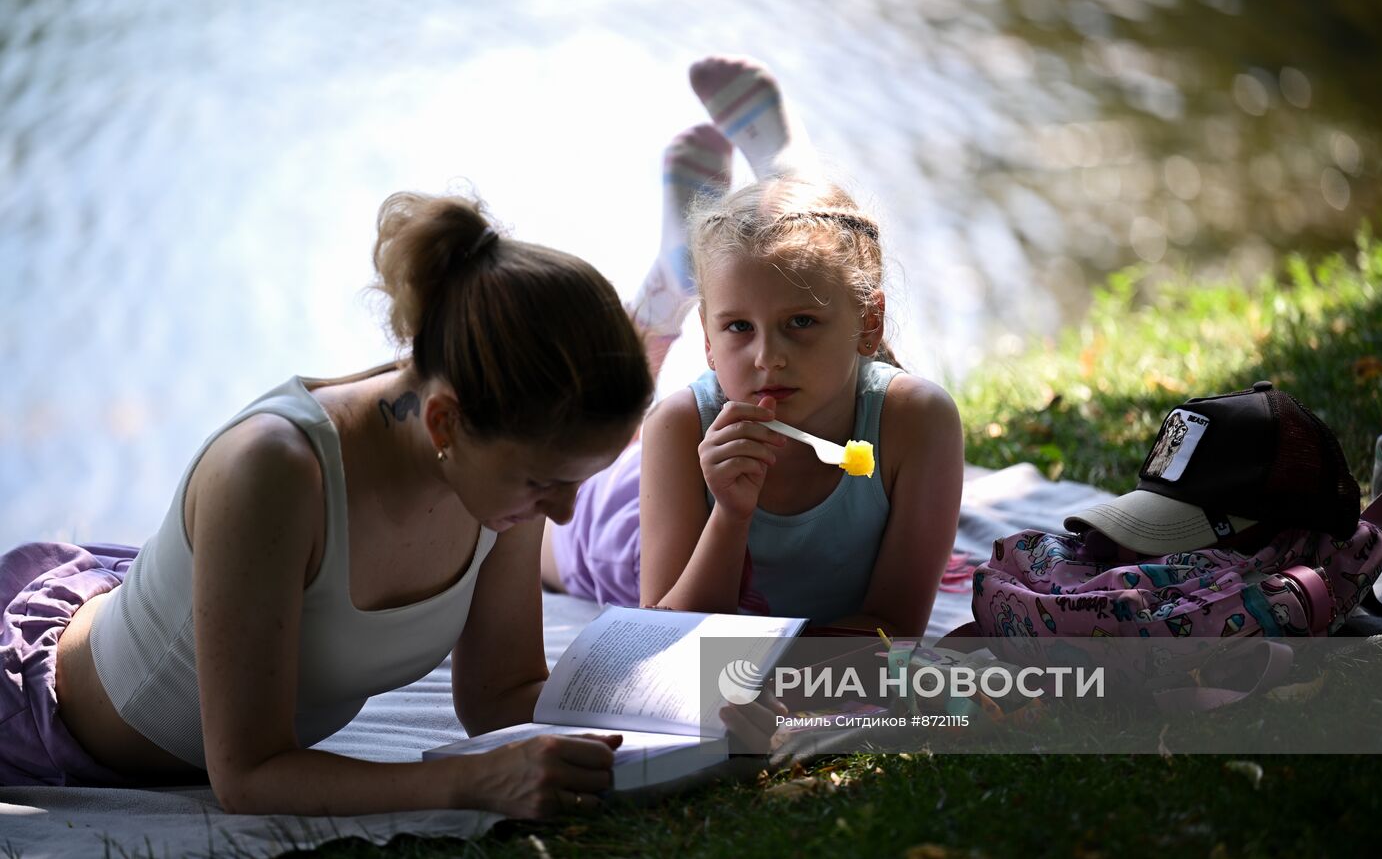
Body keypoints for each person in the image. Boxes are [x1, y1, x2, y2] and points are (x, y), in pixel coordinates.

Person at [0, 189, 656, 819]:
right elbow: (249, 776)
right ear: (445, 423)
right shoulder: (273, 469)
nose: (564, 514)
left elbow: (499, 695)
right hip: (42, 719)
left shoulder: (504, 475)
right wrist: (471, 780)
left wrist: (670, 704)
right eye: (546, 484)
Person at [543, 56, 965, 638]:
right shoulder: (680, 429)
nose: (769, 358)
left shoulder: (918, 423)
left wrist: (763, 667)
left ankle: (759, 209)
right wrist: (730, 515)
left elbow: (893, 630)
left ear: (870, 324)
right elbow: (664, 637)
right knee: (572, 474)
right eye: (738, 328)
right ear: (710, 346)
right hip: (624, 526)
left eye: (801, 322)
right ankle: (670, 293)